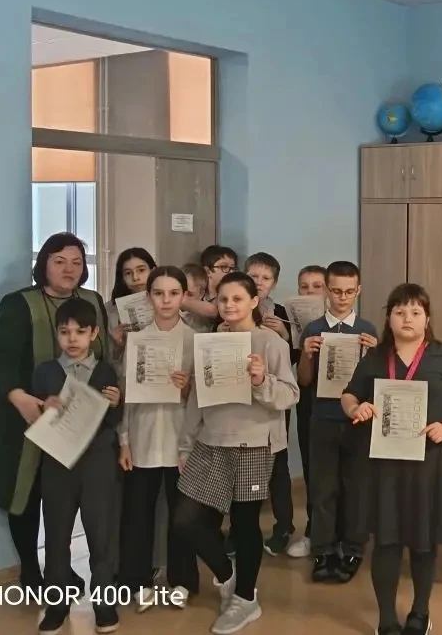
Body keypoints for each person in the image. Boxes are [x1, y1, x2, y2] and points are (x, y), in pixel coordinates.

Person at [340, 282, 442, 635]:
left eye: (416, 312)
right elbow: (348, 395)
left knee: (423, 543)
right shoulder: (374, 358)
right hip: (382, 465)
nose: (407, 318)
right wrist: (356, 408)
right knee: (385, 542)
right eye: (400, 312)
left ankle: (420, 612)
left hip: (429, 464)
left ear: (427, 318)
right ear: (389, 318)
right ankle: (386, 617)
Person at [175, 272, 299, 635]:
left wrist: (260, 380)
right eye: (223, 299)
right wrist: (186, 444)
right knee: (185, 520)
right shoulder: (209, 342)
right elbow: (197, 399)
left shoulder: (270, 343)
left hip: (254, 444)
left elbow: (290, 395)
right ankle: (228, 575)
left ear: (254, 302)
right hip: (210, 441)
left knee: (245, 525)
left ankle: (246, 599)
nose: (229, 305)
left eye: (237, 299)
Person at [0, 232, 107, 594]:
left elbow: (102, 356)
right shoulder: (19, 303)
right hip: (28, 414)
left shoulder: (93, 300)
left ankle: (60, 566)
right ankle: (30, 570)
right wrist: (20, 397)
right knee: (27, 492)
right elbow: (2, 360)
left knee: (64, 496)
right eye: (59, 261)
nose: (69, 269)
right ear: (44, 265)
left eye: (77, 262)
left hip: (77, 416)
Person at [33, 298, 123, 634]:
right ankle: (57, 605)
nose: (72, 339)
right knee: (57, 537)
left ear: (94, 333)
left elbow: (115, 419)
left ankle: (104, 605)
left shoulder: (105, 371)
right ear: (56, 334)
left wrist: (115, 404)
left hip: (98, 462)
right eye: (65, 332)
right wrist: (44, 407)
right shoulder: (45, 371)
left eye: (80, 332)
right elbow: (36, 415)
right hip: (57, 463)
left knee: (101, 536)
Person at [118, 266, 199, 613]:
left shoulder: (195, 340)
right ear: (148, 297)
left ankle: (182, 581)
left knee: (183, 516)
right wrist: (124, 440)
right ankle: (137, 581)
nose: (166, 300)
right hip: (142, 438)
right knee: (137, 514)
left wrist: (188, 388)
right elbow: (125, 396)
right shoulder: (137, 341)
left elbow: (207, 399)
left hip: (183, 441)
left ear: (184, 296)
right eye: (158, 293)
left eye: (173, 293)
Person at [297, 260, 378, 583]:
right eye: (336, 291)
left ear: (358, 291)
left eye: (348, 291)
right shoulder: (313, 329)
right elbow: (304, 381)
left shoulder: (368, 330)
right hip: (323, 419)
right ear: (327, 292)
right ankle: (323, 551)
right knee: (323, 489)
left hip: (358, 422)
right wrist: (306, 354)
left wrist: (376, 354)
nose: (342, 298)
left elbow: (378, 383)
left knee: (356, 489)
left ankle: (353, 548)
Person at [243, 252, 299, 557]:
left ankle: (284, 525)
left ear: (274, 283)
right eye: (253, 276)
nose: (259, 282)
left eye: (265, 278)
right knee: (240, 464)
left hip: (275, 394)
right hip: (240, 400)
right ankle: (240, 530)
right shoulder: (233, 307)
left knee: (278, 462)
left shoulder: (281, 311)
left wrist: (284, 334)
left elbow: (294, 359)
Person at [285, 263, 329, 560]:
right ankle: (314, 531)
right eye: (304, 286)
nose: (310, 292)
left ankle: (344, 535)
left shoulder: (355, 327)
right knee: (312, 468)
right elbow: (300, 377)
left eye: (317, 286)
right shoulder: (295, 327)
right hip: (309, 401)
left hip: (344, 407)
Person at [106, 247, 157, 377]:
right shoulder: (110, 310)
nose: (135, 277)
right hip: (125, 379)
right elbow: (107, 361)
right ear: (122, 278)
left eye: (141, 270)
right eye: (128, 273)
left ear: (153, 270)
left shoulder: (167, 302)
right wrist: (117, 345)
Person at [180, 245, 237, 326]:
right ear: (208, 271)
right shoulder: (195, 287)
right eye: (224, 267)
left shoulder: (234, 293)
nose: (231, 272)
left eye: (233, 268)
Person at [181, 262, 210, 333]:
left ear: (201, 294)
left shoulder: (204, 318)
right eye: (179, 292)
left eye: (189, 294)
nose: (183, 299)